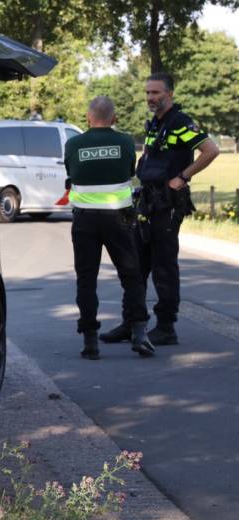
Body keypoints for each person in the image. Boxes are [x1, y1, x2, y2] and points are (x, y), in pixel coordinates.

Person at [100, 72, 219, 346]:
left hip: (167, 204)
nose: (150, 98)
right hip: (147, 202)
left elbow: (211, 151)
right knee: (135, 266)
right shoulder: (156, 124)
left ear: (170, 94)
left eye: (156, 93)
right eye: (147, 93)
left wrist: (183, 177)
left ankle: (166, 327)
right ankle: (132, 323)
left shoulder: (180, 122)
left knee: (164, 266)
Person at [63, 96, 153, 359]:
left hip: (85, 220)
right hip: (119, 219)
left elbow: (73, 172)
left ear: (89, 118)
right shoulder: (125, 141)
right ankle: (139, 333)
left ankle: (90, 342)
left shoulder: (74, 144)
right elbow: (128, 170)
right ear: (114, 118)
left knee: (86, 279)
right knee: (131, 276)